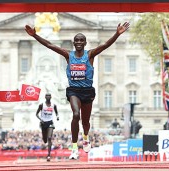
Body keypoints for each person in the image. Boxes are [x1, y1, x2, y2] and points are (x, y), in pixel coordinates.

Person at [26, 21, 130, 160]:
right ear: (73, 43)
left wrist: (117, 34)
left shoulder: (90, 55)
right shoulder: (68, 55)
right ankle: (74, 148)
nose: (79, 42)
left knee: (85, 123)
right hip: (74, 91)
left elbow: (105, 45)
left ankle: (86, 137)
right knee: (76, 115)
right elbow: (50, 45)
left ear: (85, 43)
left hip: (87, 91)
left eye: (81, 40)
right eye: (76, 40)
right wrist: (35, 36)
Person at [35, 93, 59, 162]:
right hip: (43, 123)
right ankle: (46, 143)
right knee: (45, 140)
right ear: (45, 97)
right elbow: (36, 114)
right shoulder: (41, 105)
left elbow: (57, 112)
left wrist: (57, 117)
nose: (48, 97)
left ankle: (48, 155)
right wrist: (40, 119)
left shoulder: (54, 105)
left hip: (50, 123)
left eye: (49, 96)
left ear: (51, 97)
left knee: (49, 138)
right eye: (47, 96)